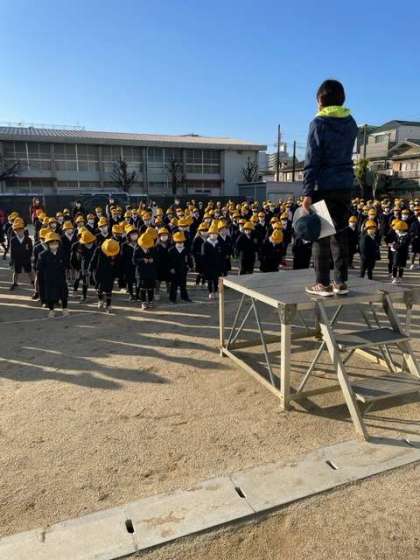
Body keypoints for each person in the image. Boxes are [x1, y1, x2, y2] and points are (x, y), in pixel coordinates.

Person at [302, 79, 358, 297]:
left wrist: (307, 192)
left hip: (323, 185)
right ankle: (340, 282)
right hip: (344, 185)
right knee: (340, 233)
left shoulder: (319, 123)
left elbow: (312, 160)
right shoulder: (350, 122)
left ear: (320, 100)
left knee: (322, 235)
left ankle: (322, 283)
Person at [37, 231, 69, 318]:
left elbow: (66, 264)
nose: (54, 245)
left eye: (56, 243)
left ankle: (65, 309)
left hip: (60, 277)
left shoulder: (62, 253)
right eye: (52, 243)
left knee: (63, 294)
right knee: (50, 295)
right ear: (48, 244)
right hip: (49, 278)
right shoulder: (43, 255)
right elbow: (39, 268)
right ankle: (51, 310)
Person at [89, 238, 120, 313]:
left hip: (110, 273)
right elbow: (93, 260)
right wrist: (90, 269)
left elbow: (118, 264)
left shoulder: (115, 250)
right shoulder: (98, 250)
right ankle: (100, 300)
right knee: (99, 289)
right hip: (99, 272)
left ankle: (108, 305)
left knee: (109, 289)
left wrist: (117, 275)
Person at [201, 221, 225, 299]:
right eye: (212, 234)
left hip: (217, 265)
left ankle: (216, 291)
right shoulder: (205, 244)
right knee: (209, 280)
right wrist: (204, 267)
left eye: (216, 234)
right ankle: (210, 292)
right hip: (208, 266)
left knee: (216, 279)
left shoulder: (219, 244)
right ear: (209, 234)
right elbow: (203, 257)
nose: (214, 235)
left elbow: (221, 255)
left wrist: (222, 265)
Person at [134, 232, 157, 309]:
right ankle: (143, 302)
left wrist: (153, 260)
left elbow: (157, 259)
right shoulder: (137, 250)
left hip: (151, 271)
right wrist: (142, 260)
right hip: (141, 272)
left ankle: (150, 301)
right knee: (142, 288)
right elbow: (134, 261)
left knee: (151, 287)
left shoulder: (152, 249)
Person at [9, 218, 34, 290]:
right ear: (15, 231)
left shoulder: (28, 239)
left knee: (29, 271)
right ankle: (14, 283)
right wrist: (12, 260)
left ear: (23, 230)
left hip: (26, 258)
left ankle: (33, 282)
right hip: (17, 259)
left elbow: (31, 249)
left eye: (20, 229)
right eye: (17, 230)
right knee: (16, 272)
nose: (19, 231)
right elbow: (12, 251)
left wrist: (30, 257)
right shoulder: (13, 240)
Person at [168, 231, 192, 303]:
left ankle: (184, 297)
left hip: (183, 269)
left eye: (181, 241)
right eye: (178, 242)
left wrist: (190, 266)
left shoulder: (186, 250)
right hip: (174, 270)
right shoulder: (171, 250)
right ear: (175, 242)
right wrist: (171, 268)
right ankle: (172, 298)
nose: (180, 243)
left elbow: (189, 259)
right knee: (174, 285)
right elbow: (168, 261)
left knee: (183, 284)